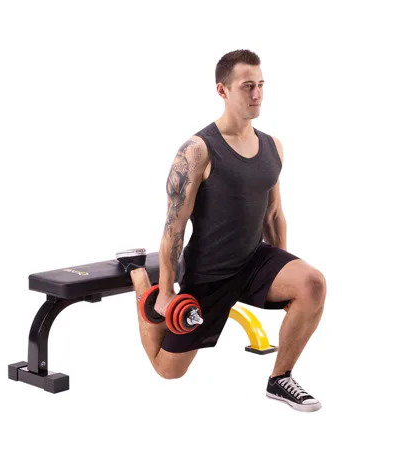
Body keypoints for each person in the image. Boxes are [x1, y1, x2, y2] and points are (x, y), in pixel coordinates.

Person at [116, 49, 327, 412]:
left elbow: (274, 213)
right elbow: (174, 227)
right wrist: (165, 292)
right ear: (222, 90)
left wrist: (283, 271)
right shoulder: (198, 151)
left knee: (313, 284)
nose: (257, 94)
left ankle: (280, 379)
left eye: (261, 85)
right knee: (168, 370)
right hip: (209, 273)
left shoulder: (273, 147)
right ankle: (138, 278)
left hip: (253, 261)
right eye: (247, 86)